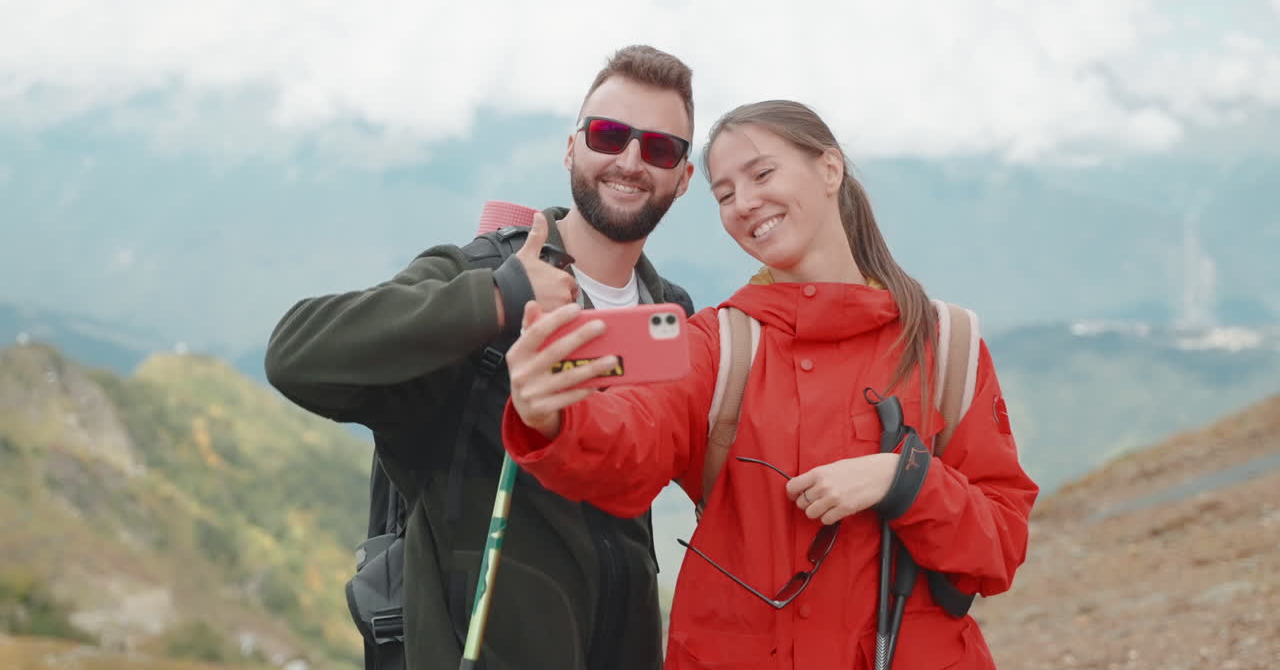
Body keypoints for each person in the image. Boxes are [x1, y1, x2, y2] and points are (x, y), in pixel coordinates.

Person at [501, 100, 1039, 669]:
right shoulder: (717, 346)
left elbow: (999, 546)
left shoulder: (945, 345)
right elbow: (629, 436)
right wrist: (552, 416)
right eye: (725, 194)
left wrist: (903, 479)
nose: (744, 203)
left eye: (761, 174)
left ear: (830, 169)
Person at [264, 45, 698, 670]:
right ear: (571, 147)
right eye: (608, 135)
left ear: (683, 177)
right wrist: (498, 298)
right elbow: (295, 353)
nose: (630, 161)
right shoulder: (483, 273)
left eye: (659, 148)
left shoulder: (669, 317)